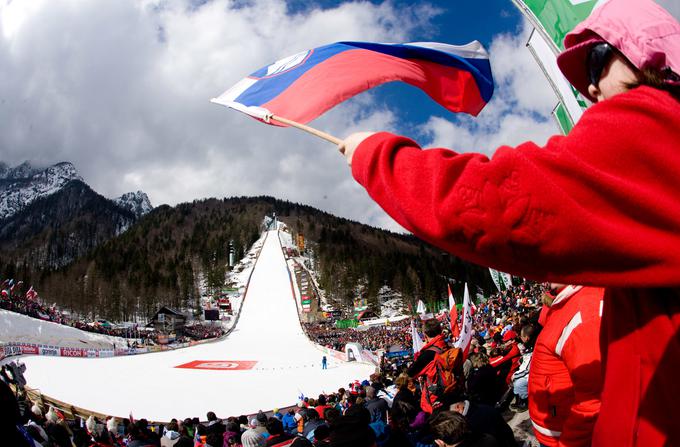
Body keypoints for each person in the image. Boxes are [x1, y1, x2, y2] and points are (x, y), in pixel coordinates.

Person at [338, 0, 679, 445]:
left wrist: (374, 156)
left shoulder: (656, 125)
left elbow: (500, 203)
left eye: (596, 63)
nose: (590, 90)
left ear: (647, 53)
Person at [529, 284, 603, 447]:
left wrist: (569, 443)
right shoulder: (566, 301)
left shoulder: (584, 310)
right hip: (554, 429)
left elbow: (594, 400)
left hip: (563, 437)